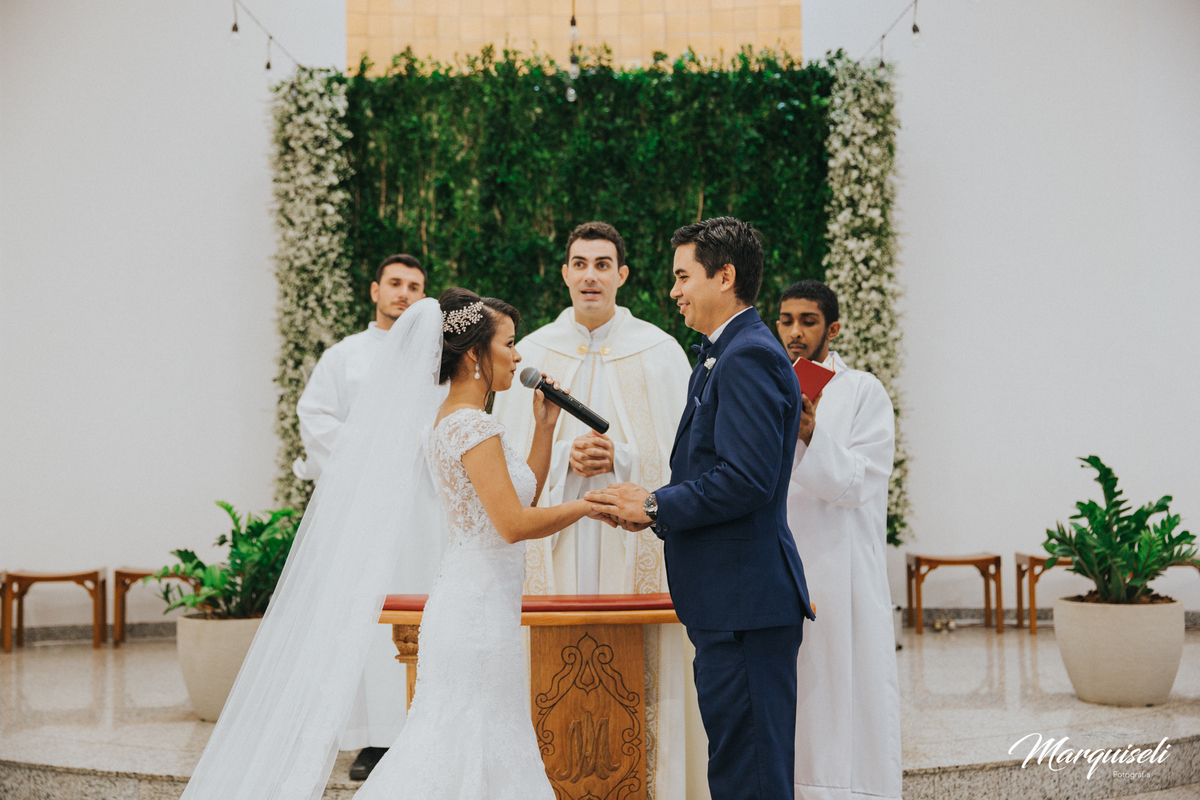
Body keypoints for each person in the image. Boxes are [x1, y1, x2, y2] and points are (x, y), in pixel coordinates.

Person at [181, 291, 599, 800]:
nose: (518, 356)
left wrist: (545, 429)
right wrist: (589, 505)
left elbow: (518, 500)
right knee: (467, 740)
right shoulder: (472, 425)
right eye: (509, 344)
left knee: (473, 740)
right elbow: (513, 525)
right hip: (476, 612)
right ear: (475, 354)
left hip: (482, 603)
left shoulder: (457, 419)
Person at [588, 217, 815, 800]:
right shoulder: (727, 353)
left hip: (745, 604)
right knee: (738, 767)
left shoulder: (747, 356)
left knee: (750, 776)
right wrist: (647, 509)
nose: (674, 291)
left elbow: (747, 479)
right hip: (731, 600)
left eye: (683, 276)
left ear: (725, 276)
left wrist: (654, 504)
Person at [490, 221, 697, 797]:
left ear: (622, 275)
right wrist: (564, 456)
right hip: (556, 538)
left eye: (602, 265)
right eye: (580, 264)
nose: (590, 276)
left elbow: (688, 454)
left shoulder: (660, 352)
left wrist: (621, 457)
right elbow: (502, 456)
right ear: (564, 273)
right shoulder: (531, 353)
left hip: (632, 540)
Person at [291, 253, 427, 780]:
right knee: (366, 616)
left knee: (419, 610)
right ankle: (372, 737)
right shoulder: (344, 356)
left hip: (422, 509)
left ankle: (421, 727)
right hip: (361, 512)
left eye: (414, 286)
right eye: (395, 283)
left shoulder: (437, 361)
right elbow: (314, 416)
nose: (403, 293)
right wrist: (373, 450)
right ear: (375, 290)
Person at [777, 280, 901, 800]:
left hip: (841, 568)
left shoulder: (863, 392)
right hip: (780, 565)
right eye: (786, 320)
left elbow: (859, 482)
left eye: (808, 321)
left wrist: (810, 433)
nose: (795, 332)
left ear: (833, 329)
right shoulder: (766, 385)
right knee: (791, 697)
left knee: (841, 696)